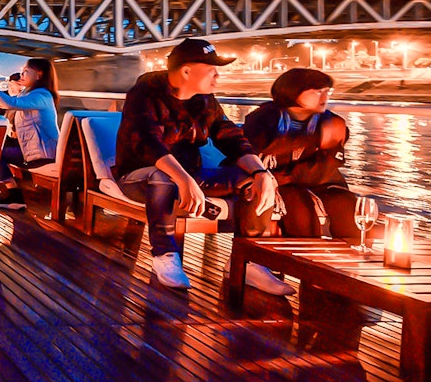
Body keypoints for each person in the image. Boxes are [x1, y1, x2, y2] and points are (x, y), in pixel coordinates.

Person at [115, 38, 292, 294]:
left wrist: (260, 172)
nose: (218, 76)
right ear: (187, 71)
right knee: (163, 176)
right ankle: (164, 256)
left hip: (189, 176)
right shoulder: (145, 92)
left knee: (254, 180)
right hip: (139, 178)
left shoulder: (205, 100)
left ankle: (247, 261)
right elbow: (146, 143)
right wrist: (183, 179)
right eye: (211, 69)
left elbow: (230, 137)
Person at [242, 68, 359, 239]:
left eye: (328, 91)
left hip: (317, 180)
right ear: (293, 92)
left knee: (345, 203)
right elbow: (252, 155)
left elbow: (325, 168)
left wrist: (284, 177)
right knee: (297, 204)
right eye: (318, 92)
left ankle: (350, 257)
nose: (325, 98)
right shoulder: (262, 120)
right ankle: (297, 261)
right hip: (271, 180)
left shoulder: (332, 124)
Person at [0, 58, 59, 204]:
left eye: (26, 71)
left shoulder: (41, 95)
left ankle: (12, 192)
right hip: (35, 152)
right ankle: (10, 191)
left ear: (39, 75)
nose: (21, 74)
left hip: (43, 155)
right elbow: (6, 104)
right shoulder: (32, 95)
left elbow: (10, 103)